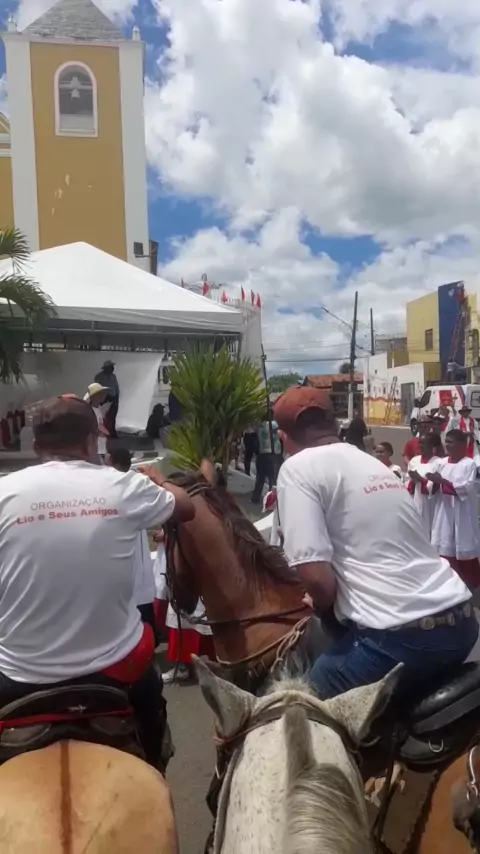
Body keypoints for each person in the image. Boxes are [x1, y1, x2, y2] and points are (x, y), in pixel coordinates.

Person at [0, 396, 195, 768]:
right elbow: (186, 507)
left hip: (19, 675)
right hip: (114, 671)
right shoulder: (122, 485)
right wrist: (160, 481)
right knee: (151, 711)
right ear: (92, 442)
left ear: (37, 446)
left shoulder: (4, 492)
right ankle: (154, 763)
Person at [274, 386, 477, 701]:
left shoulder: (296, 469)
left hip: (403, 642)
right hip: (463, 623)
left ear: (283, 438)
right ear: (335, 425)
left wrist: (322, 600)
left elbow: (315, 578)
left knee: (299, 702)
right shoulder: (371, 462)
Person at [107, 446, 156, 635]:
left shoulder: (107, 486)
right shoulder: (138, 483)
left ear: (111, 461)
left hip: (118, 546)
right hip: (136, 544)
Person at [429, 429, 480, 589]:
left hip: (461, 513)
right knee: (444, 545)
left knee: (463, 546)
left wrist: (444, 482)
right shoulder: (441, 463)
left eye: (450, 442)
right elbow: (431, 487)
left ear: (461, 445)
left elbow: (467, 488)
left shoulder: (469, 464)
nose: (447, 445)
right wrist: (434, 482)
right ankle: (447, 583)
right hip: (443, 512)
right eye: (446, 441)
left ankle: (469, 585)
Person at [407, 433, 444, 538]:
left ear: (432, 445)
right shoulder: (414, 461)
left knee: (430, 528)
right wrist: (412, 481)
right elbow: (407, 482)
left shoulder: (438, 462)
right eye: (420, 443)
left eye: (424, 443)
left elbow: (437, 486)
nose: (421, 446)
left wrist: (421, 480)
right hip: (416, 499)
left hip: (431, 502)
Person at [251, 412, 283, 503]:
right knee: (273, 479)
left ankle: (255, 498)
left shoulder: (261, 426)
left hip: (262, 453)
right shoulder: (274, 424)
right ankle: (271, 501)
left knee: (260, 478)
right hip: (272, 454)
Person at [94, 360, 120, 438]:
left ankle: (112, 431)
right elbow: (97, 388)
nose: (113, 368)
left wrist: (117, 397)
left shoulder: (113, 376)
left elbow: (116, 387)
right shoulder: (99, 377)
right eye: (111, 367)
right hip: (104, 398)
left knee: (112, 415)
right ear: (106, 368)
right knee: (104, 416)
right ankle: (104, 431)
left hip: (113, 398)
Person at [84, 382, 110, 457]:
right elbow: (91, 427)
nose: (104, 395)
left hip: (101, 447)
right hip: (95, 449)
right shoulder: (89, 410)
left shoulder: (97, 409)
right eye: (100, 393)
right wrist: (102, 432)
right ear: (93, 396)